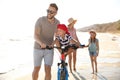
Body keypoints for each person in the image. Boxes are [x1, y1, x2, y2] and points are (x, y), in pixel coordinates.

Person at [32, 3, 60, 80]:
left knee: (48, 69)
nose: (49, 13)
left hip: (49, 50)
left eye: (51, 12)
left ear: (56, 13)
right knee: (36, 69)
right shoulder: (40, 20)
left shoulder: (57, 23)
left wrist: (53, 44)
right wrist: (41, 43)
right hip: (38, 48)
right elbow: (35, 35)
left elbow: (57, 37)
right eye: (48, 10)